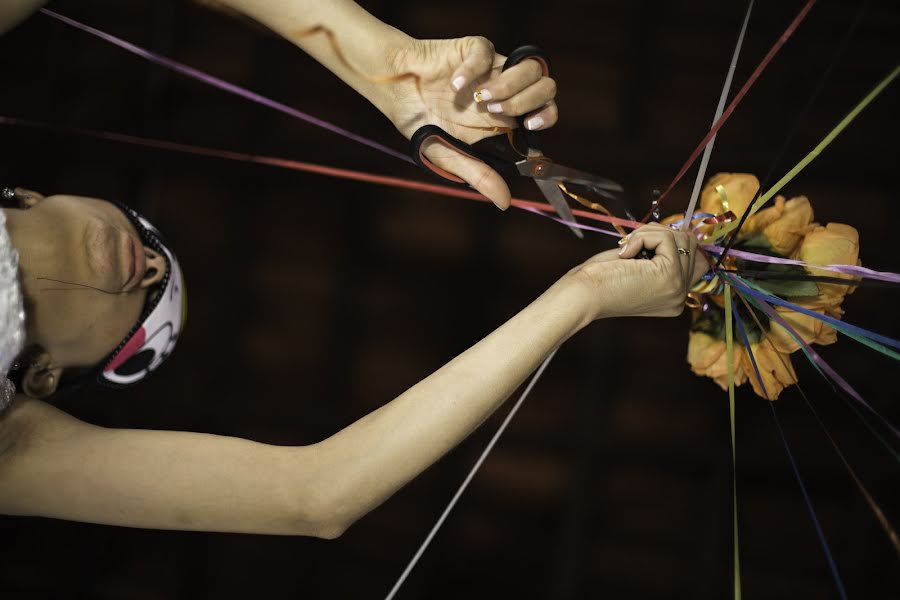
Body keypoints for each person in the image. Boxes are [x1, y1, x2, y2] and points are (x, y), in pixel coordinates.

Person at [0, 0, 706, 539]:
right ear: (28, 195)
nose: (150, 260)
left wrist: (580, 297)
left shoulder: (13, 448)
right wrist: (386, 62)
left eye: (149, 295)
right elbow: (315, 499)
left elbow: (311, 494)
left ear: (45, 378)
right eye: (152, 245)